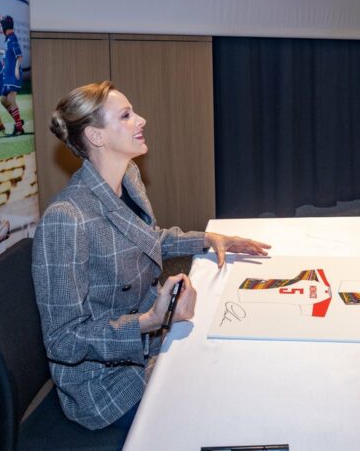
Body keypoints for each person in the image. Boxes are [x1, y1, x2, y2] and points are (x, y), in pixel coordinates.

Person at [32, 80, 271, 431]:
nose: (141, 120)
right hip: (106, 384)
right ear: (97, 136)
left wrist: (207, 238)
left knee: (237, 362)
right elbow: (63, 341)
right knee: (224, 405)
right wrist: (150, 321)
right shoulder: (66, 220)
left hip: (152, 337)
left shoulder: (128, 177)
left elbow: (145, 238)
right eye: (127, 116)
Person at [0, 15, 25, 135]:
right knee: (3, 100)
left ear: (4, 26)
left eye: (1, 25)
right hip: (7, 75)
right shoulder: (8, 39)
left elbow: (19, 57)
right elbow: (6, 54)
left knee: (10, 99)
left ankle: (19, 128)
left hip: (13, 75)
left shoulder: (12, 39)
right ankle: (18, 121)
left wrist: (16, 70)